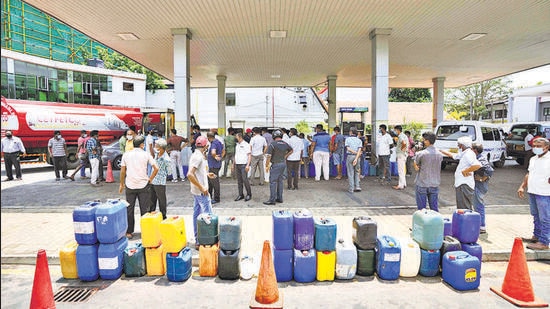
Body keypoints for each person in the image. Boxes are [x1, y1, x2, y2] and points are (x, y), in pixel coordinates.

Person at [119, 135, 158, 239]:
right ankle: (145, 231)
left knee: (129, 209)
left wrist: (121, 184)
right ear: (142, 145)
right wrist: (150, 179)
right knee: (144, 209)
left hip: (130, 185)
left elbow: (123, 171)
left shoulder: (126, 155)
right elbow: (156, 168)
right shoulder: (146, 155)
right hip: (143, 185)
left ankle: (129, 232)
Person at [517, 137, 550, 250]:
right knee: (536, 215)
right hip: (533, 191)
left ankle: (544, 242)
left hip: (545, 193)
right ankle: (536, 236)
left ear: (546, 147)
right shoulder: (533, 159)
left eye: (539, 146)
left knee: (545, 218)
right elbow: (529, 174)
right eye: (534, 146)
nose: (535, 148)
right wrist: (522, 186)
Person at [186, 135, 217, 248]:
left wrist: (207, 175)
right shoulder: (198, 157)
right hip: (201, 192)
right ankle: (209, 240)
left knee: (197, 214)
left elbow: (197, 172)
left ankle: (198, 240)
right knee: (209, 216)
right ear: (206, 146)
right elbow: (190, 174)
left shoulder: (197, 155)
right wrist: (202, 188)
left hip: (196, 192)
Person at [440, 136, 481, 210]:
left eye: (458, 144)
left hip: (464, 185)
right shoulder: (465, 153)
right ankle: (465, 221)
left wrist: (466, 171)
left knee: (464, 208)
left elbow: (477, 165)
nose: (458, 146)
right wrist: (441, 151)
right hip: (462, 184)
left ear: (462, 145)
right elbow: (453, 156)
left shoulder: (469, 154)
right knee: (462, 206)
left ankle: (466, 221)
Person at [414, 132, 443, 212]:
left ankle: (423, 224)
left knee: (422, 210)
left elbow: (416, 167)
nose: (423, 141)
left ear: (427, 141)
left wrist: (416, 165)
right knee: (434, 209)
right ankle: (436, 223)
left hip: (422, 183)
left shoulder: (421, 154)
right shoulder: (440, 154)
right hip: (434, 184)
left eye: (423, 140)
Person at [264, 130, 293, 205]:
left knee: (273, 182)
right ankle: (280, 198)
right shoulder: (285, 143)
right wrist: (285, 156)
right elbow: (291, 150)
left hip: (275, 164)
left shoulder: (272, 144)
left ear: (274, 136)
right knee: (280, 181)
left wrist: (267, 165)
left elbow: (269, 156)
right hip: (283, 164)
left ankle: (272, 200)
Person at [472, 143, 493, 234]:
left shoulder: (480, 159)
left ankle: (481, 226)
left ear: (475, 150)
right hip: (478, 185)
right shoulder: (478, 158)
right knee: (477, 205)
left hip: (479, 186)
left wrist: (482, 178)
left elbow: (489, 170)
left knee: (479, 206)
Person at [150, 138, 170, 220]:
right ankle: (151, 215)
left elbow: (169, 171)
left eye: (156, 146)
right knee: (151, 200)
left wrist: (162, 173)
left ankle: (163, 216)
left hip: (160, 182)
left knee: (161, 200)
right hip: (153, 181)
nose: (155, 147)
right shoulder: (157, 155)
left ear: (161, 148)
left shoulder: (166, 159)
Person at [234, 132, 252, 202]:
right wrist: (233, 164)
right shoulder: (237, 145)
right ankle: (241, 194)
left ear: (240, 137)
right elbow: (236, 155)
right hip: (237, 164)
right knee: (239, 181)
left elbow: (249, 155)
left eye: (236, 136)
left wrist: (248, 165)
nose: (235, 138)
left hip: (244, 164)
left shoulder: (246, 145)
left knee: (245, 180)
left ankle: (249, 194)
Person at [344, 127, 363, 193]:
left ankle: (351, 188)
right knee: (357, 172)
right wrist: (356, 157)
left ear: (351, 132)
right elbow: (360, 150)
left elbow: (348, 149)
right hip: (357, 157)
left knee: (350, 173)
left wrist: (354, 153)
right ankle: (357, 186)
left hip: (350, 156)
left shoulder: (347, 139)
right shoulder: (359, 140)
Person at [206, 132, 223, 204]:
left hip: (213, 165)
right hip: (216, 165)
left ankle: (216, 198)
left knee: (214, 182)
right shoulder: (218, 142)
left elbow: (213, 152)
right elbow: (223, 150)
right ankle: (209, 195)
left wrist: (214, 156)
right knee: (210, 182)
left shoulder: (214, 143)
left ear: (209, 138)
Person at [393, 125, 409, 190]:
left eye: (395, 130)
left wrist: (401, 150)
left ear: (398, 130)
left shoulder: (401, 136)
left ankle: (400, 185)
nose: (395, 131)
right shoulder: (404, 135)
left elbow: (404, 143)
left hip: (401, 155)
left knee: (400, 171)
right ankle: (404, 183)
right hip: (404, 154)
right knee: (402, 170)